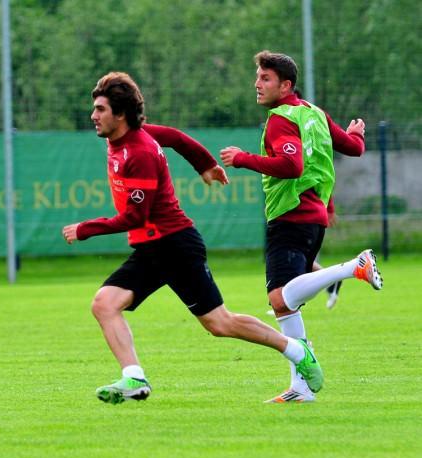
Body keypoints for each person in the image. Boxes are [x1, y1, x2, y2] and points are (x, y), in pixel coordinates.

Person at [62, 71, 323, 405]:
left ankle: (296, 350)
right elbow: (176, 137)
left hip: (174, 246)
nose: (93, 116)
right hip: (152, 248)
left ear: (121, 114)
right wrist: (206, 165)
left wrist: (85, 229)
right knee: (105, 304)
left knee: (220, 323)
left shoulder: (140, 152)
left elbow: (135, 217)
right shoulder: (129, 137)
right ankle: (134, 378)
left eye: (100, 109)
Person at [220, 51, 383, 403]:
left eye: (265, 78)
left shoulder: (281, 119)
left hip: (291, 215)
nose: (257, 84)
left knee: (279, 298)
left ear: (285, 85)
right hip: (313, 218)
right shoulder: (314, 113)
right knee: (285, 306)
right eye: (258, 77)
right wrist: (357, 134)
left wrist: (243, 159)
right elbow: (353, 148)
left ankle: (353, 268)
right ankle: (301, 387)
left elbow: (291, 165)